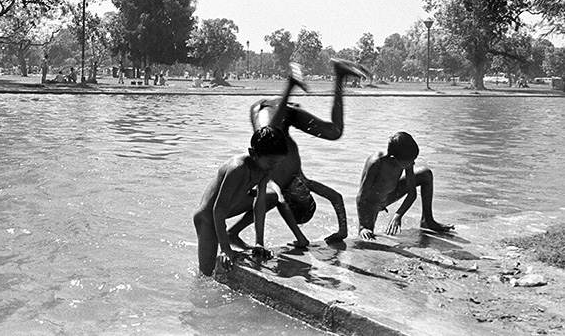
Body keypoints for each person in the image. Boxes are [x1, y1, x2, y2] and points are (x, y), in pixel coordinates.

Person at [227, 59, 367, 249]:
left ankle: (294, 82)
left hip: (267, 113)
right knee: (334, 132)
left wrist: (298, 237)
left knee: (270, 133)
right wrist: (343, 230)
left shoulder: (274, 185)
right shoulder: (302, 181)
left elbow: (279, 203)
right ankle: (338, 75)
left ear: (290, 196)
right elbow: (336, 197)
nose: (303, 188)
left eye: (301, 193)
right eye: (306, 193)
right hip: (280, 113)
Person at [192, 126, 288, 276]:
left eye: (278, 163)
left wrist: (259, 243)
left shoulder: (265, 169)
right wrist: (225, 249)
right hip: (207, 217)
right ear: (253, 154)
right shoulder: (237, 168)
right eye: (271, 163)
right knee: (206, 274)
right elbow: (218, 210)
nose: (274, 167)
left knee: (271, 197)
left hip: (229, 207)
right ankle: (226, 241)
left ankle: (232, 235)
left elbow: (259, 204)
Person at [356, 131, 454, 240]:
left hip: (389, 195)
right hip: (371, 204)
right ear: (393, 158)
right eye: (409, 162)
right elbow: (361, 197)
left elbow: (412, 194)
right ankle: (364, 228)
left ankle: (427, 220)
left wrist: (398, 215)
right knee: (368, 236)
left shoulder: (406, 160)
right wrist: (363, 226)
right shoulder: (376, 163)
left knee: (425, 174)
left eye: (413, 160)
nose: (412, 164)